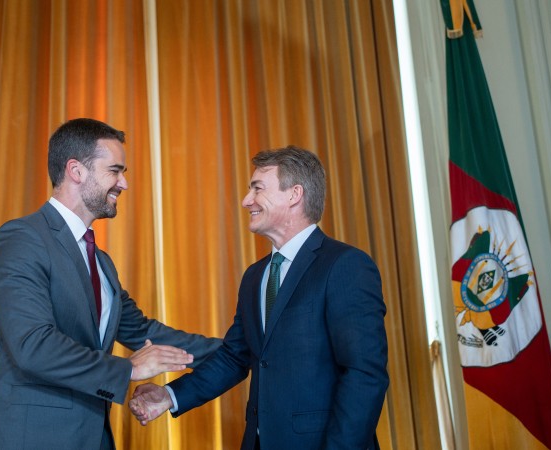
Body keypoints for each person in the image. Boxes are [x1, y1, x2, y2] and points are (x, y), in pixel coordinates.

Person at [0, 118, 221, 450]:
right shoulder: (21, 238)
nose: (124, 183)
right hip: (31, 437)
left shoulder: (101, 261)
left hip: (94, 438)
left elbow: (144, 332)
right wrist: (126, 370)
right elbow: (32, 346)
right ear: (76, 171)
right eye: (115, 171)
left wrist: (239, 350)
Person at [129, 146, 389, 449]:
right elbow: (234, 357)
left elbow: (364, 374)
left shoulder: (345, 265)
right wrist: (170, 396)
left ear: (294, 194)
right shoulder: (255, 276)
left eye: (257, 189)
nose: (246, 200)